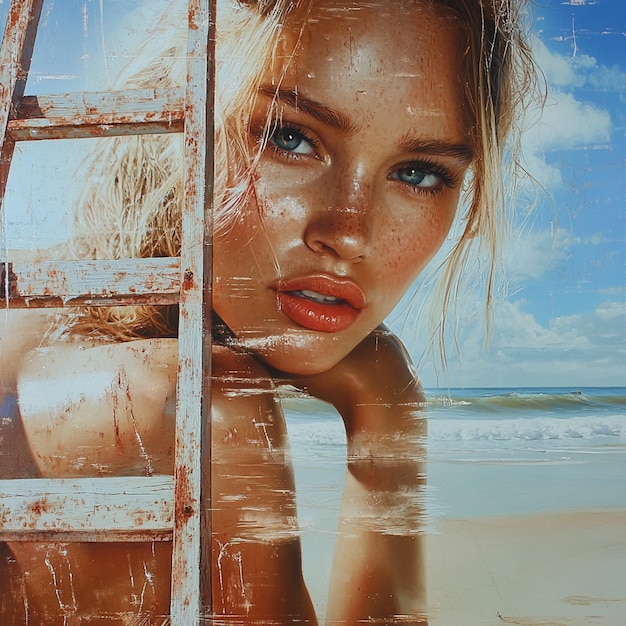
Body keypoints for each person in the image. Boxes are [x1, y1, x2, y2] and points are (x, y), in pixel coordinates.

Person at [0, 0, 537, 623]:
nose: (350, 232)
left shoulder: (37, 298)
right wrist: (389, 418)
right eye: (291, 137)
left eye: (418, 173)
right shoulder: (195, 413)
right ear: (182, 107)